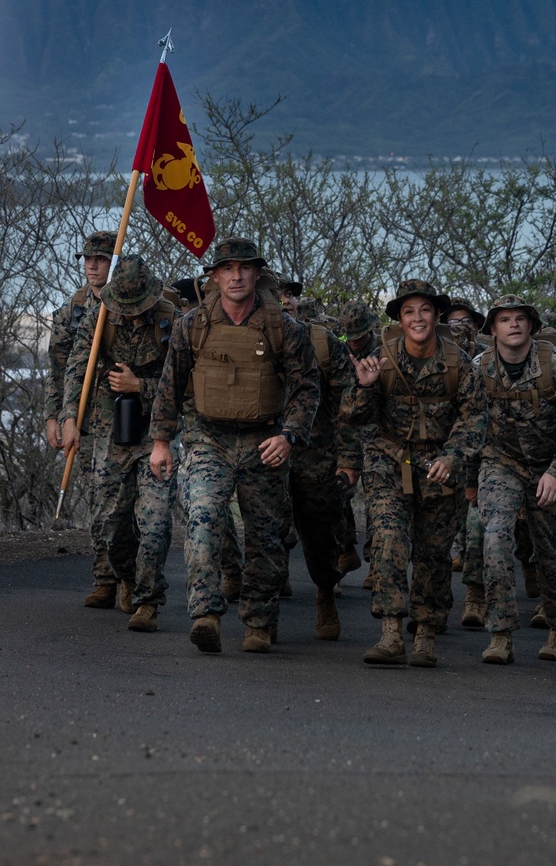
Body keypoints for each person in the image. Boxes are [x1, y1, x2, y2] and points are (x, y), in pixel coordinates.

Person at [148, 237, 320, 654]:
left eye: (245, 268)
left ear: (257, 273)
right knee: (203, 518)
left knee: (266, 536)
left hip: (265, 440)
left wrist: (290, 434)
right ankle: (206, 613)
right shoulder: (193, 325)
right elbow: (171, 384)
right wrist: (161, 442)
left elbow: (307, 388)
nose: (237, 275)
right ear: (215, 276)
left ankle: (259, 621)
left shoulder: (285, 329)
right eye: (227, 268)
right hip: (210, 438)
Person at [339, 279, 486, 669]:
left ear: (437, 316)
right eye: (408, 311)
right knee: (388, 540)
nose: (417, 318)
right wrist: (364, 386)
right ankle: (390, 632)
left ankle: (425, 633)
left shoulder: (458, 363)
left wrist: (453, 458)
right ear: (400, 320)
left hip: (441, 469)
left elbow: (475, 418)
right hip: (390, 463)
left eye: (424, 310)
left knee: (433, 555)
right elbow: (353, 416)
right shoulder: (380, 358)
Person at [471, 295, 556, 664]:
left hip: (550, 464)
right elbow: (467, 424)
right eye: (504, 319)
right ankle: (501, 634)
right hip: (500, 462)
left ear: (531, 326)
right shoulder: (478, 368)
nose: (513, 325)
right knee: (494, 541)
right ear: (492, 329)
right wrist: (468, 479)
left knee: (552, 555)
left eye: (520, 318)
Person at [60, 256, 178, 627]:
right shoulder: (100, 318)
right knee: (107, 523)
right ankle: (125, 576)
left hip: (156, 433)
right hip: (111, 431)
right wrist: (67, 419)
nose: (129, 316)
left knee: (155, 521)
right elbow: (76, 368)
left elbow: (187, 385)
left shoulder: (170, 320)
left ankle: (148, 600)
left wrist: (139, 386)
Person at [45, 230, 116, 584]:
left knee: (120, 499)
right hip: (83, 421)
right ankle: (104, 575)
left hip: (122, 418)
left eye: (100, 259)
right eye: (87, 259)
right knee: (96, 494)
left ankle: (128, 574)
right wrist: (54, 417)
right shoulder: (71, 312)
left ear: (114, 263)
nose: (92, 265)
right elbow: (58, 370)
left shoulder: (130, 305)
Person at [288, 304, 356, 638]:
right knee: (265, 531)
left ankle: (326, 590)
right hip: (265, 450)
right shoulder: (242, 337)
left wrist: (349, 460)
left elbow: (350, 404)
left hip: (317, 455)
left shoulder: (323, 342)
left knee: (321, 535)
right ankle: (261, 615)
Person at [339, 300, 383, 583]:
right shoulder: (338, 351)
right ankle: (344, 549)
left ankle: (377, 564)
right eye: (350, 337)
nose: (355, 342)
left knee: (378, 502)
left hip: (379, 435)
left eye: (361, 336)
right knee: (339, 493)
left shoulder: (386, 351)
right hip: (346, 433)